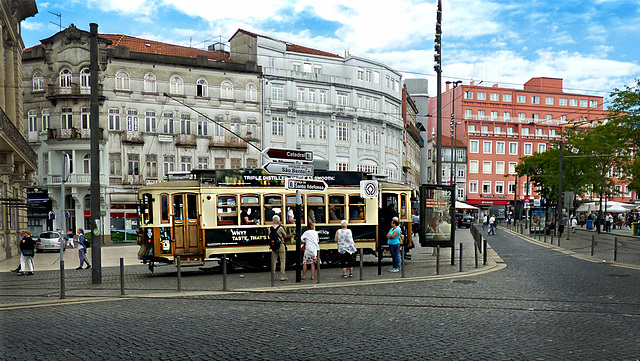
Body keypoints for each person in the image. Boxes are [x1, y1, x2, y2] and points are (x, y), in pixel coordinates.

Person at [270, 215, 288, 281]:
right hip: (280, 245)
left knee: (274, 261)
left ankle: (273, 276)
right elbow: (285, 235)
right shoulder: (280, 228)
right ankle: (282, 276)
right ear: (278, 221)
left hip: (273, 246)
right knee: (282, 261)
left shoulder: (270, 228)